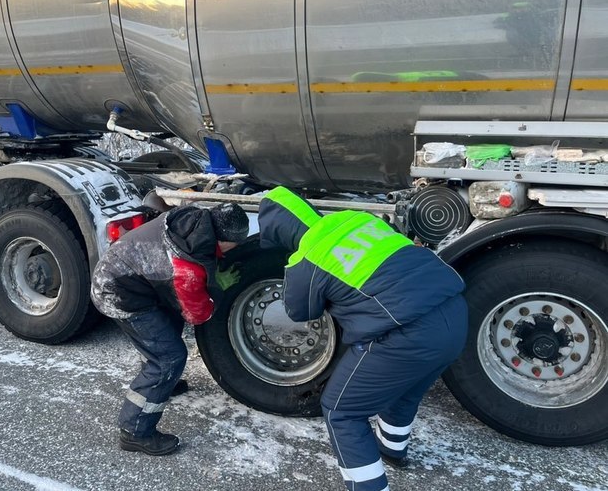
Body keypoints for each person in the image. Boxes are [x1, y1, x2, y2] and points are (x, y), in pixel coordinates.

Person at [258, 187, 467, 491]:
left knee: (341, 411)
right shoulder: (358, 219)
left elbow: (298, 311)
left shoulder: (307, 257)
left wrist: (294, 268)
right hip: (454, 314)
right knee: (406, 389)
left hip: (407, 333)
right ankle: (393, 450)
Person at [91, 202, 248, 456]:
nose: (236, 249)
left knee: (167, 330)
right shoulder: (187, 269)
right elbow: (198, 315)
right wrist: (217, 286)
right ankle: (135, 431)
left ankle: (163, 383)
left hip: (131, 276)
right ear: (223, 240)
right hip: (117, 293)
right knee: (169, 357)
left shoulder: (193, 221)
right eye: (235, 244)